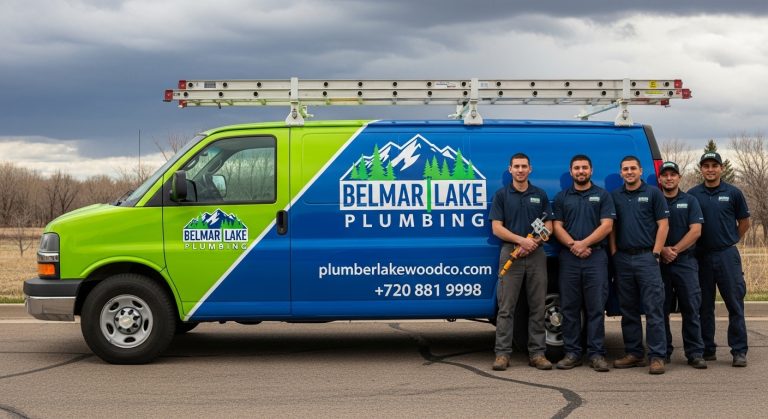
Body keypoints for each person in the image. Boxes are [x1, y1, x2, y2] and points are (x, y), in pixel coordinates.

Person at [490, 153, 554, 371]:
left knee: (537, 306)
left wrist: (533, 242)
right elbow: (496, 227)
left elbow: (549, 228)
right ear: (510, 170)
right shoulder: (501, 195)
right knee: (506, 307)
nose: (520, 170)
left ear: (530, 169)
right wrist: (520, 241)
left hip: (536, 254)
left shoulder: (540, 195)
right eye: (516, 166)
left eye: (523, 166)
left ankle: (537, 354)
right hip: (511, 253)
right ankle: (502, 354)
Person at [552, 155, 615, 372]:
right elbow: (556, 226)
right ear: (571, 172)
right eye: (577, 168)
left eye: (584, 168)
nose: (581, 171)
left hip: (595, 257)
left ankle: (596, 354)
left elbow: (607, 226)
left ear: (591, 170)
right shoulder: (562, 197)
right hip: (569, 257)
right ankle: (572, 353)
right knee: (569, 307)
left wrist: (584, 243)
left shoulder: (602, 196)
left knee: (595, 307)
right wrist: (573, 245)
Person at [688, 152, 751, 367]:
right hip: (701, 255)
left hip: (726, 255)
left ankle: (739, 351)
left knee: (734, 304)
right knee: (704, 306)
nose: (710, 169)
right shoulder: (693, 194)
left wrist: (732, 238)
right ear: (701, 169)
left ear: (721, 168)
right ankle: (707, 349)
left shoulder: (733, 193)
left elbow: (744, 221)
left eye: (714, 165)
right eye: (706, 166)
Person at [610, 155, 669, 374]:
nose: (629, 172)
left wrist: (655, 253)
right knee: (629, 310)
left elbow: (663, 225)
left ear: (641, 171)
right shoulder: (615, 196)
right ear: (621, 172)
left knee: (654, 309)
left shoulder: (654, 193)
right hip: (623, 258)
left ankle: (657, 356)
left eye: (633, 168)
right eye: (625, 169)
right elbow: (612, 227)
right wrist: (615, 252)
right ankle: (634, 353)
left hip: (647, 258)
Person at [658, 161, 707, 369]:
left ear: (679, 177)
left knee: (691, 308)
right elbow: (648, 229)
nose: (669, 178)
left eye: (673, 174)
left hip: (685, 262)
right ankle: (664, 351)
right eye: (665, 175)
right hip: (660, 262)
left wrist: (674, 250)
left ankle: (695, 353)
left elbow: (695, 231)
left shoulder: (690, 200)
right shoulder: (655, 200)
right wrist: (662, 250)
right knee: (661, 309)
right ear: (659, 179)